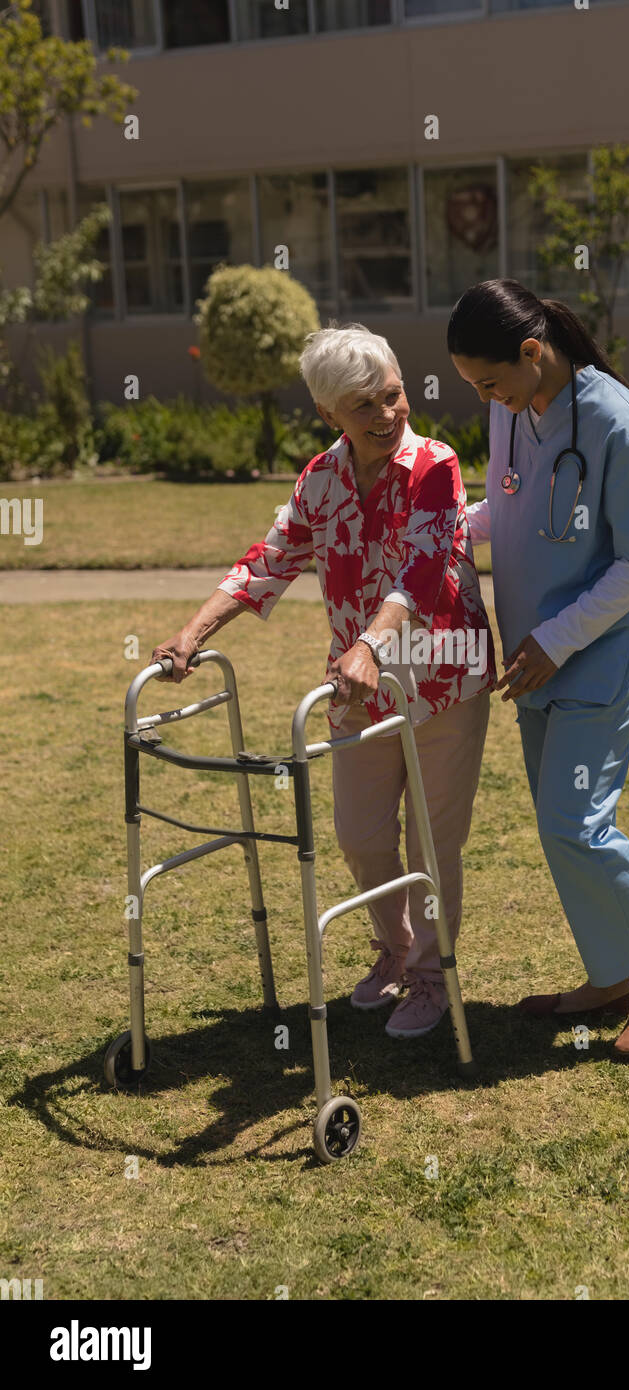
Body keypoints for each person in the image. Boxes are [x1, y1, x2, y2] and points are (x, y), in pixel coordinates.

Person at [152, 324, 494, 1039]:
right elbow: (269, 559)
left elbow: (424, 570)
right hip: (357, 686)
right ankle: (396, 950)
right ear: (329, 413)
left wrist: (371, 643)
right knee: (360, 834)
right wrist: (194, 631)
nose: (386, 416)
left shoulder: (435, 464)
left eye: (393, 396)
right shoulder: (320, 477)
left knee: (432, 838)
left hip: (439, 675)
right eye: (363, 405)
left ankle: (432, 977)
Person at [448, 279, 629, 1057]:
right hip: (538, 658)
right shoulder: (512, 406)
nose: (486, 398)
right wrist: (449, 525)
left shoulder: (622, 424)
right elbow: (513, 504)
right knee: (560, 831)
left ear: (533, 351)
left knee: (576, 824)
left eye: (490, 381)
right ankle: (609, 975)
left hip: (602, 655)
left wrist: (558, 638)